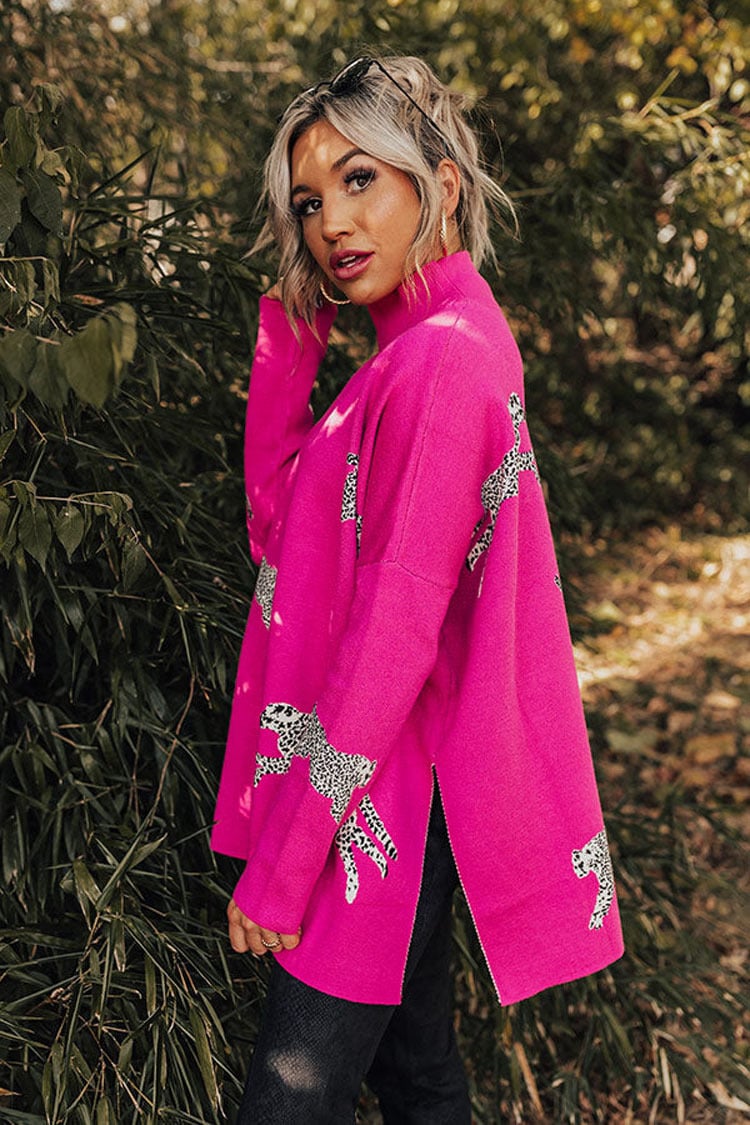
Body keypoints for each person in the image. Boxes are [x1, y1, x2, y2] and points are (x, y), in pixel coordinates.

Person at [211, 54, 624, 1124]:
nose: (332, 224)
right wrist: (293, 320)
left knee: (288, 1103)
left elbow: (394, 636)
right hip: (392, 787)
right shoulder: (413, 352)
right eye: (310, 201)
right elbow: (277, 521)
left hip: (380, 802)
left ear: (438, 184)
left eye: (361, 180)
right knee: (418, 1073)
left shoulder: (440, 365)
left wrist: (286, 865)